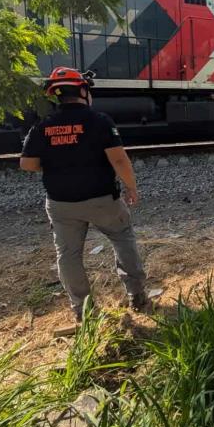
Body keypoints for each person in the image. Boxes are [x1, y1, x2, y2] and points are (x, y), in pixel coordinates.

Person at [20, 67, 148, 327]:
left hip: (61, 203)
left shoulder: (42, 126)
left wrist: (59, 163)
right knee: (122, 238)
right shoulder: (100, 121)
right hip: (102, 199)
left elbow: (27, 164)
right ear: (82, 90)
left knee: (68, 254)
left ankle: (83, 310)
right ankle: (137, 296)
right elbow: (119, 159)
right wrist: (131, 187)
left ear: (56, 95)